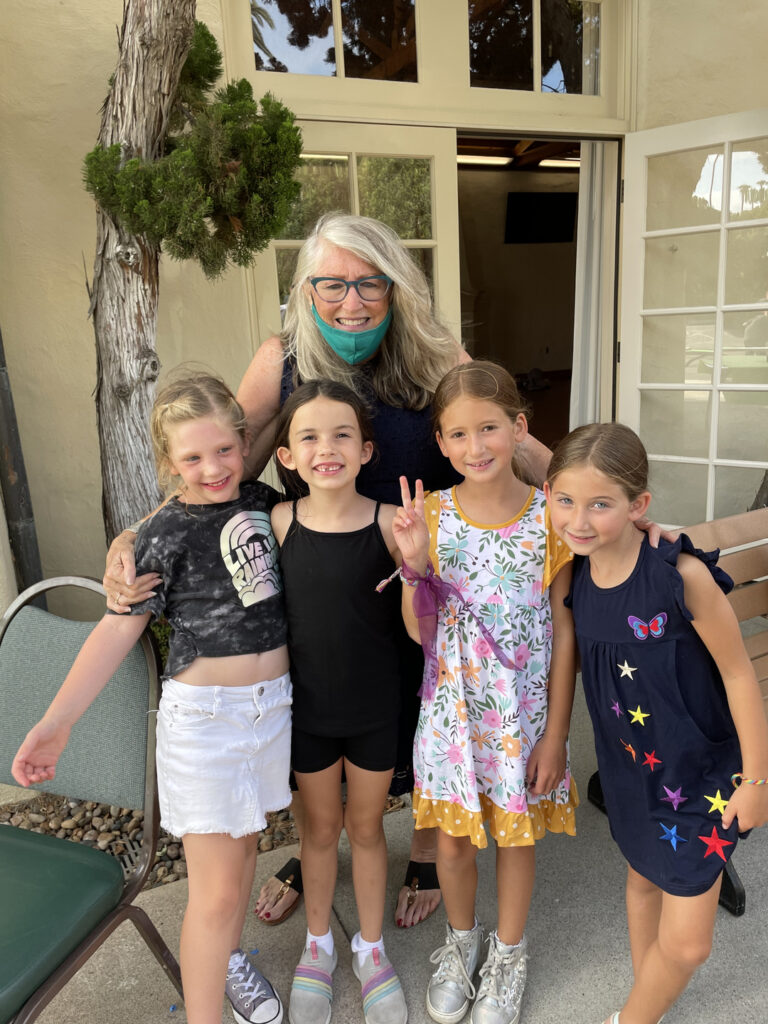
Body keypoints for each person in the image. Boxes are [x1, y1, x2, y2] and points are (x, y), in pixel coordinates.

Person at [102, 211, 555, 931]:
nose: (352, 301)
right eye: (333, 284)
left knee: (426, 711)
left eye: (369, 282)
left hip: (426, 570)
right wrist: (138, 532)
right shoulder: (282, 358)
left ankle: (427, 850)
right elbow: (224, 466)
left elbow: (505, 438)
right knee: (323, 714)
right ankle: (317, 846)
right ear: (307, 289)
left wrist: (594, 502)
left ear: (395, 286)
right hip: (320, 575)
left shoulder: (437, 353)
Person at [13, 372, 291, 1024]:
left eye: (224, 450)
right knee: (217, 894)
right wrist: (57, 721)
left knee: (244, 857)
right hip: (208, 726)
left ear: (244, 442)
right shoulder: (161, 534)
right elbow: (117, 628)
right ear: (170, 464)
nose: (213, 467)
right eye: (192, 457)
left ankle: (226, 959)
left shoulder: (261, 500)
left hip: (270, 712)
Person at [543, 422, 768, 1024]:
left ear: (639, 506)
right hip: (629, 773)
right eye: (565, 500)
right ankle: (652, 999)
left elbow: (741, 676)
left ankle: (631, 1017)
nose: (579, 519)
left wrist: (758, 781)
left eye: (601, 505)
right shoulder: (572, 575)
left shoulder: (677, 576)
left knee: (690, 943)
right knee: (643, 878)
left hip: (701, 776)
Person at [393, 361, 578, 1024]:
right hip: (452, 717)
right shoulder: (432, 518)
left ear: (519, 428)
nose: (477, 447)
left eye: (491, 428)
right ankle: (462, 942)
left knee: (516, 840)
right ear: (440, 443)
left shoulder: (549, 519)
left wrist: (557, 733)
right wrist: (415, 568)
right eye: (460, 434)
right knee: (451, 844)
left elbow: (563, 627)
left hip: (524, 719)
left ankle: (508, 954)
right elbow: (421, 635)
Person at [271, 379, 408, 1024]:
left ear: (367, 449)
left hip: (377, 709)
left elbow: (422, 616)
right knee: (320, 831)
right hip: (308, 715)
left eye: (342, 434)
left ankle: (372, 950)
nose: (327, 447)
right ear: (287, 456)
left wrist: (418, 560)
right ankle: (319, 946)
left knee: (367, 828)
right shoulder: (276, 524)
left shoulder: (391, 524)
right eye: (309, 436)